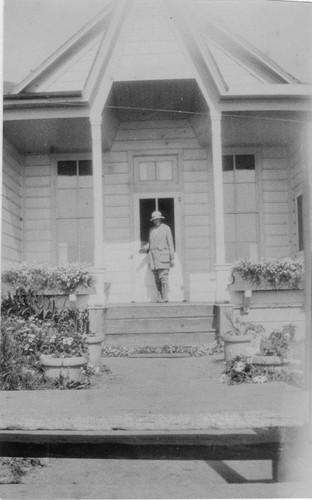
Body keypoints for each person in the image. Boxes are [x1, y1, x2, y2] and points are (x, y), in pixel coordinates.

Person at [139, 210, 175, 302]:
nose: (157, 221)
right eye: (155, 219)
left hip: (163, 256)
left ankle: (165, 297)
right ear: (153, 220)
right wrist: (144, 248)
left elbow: (170, 243)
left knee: (163, 277)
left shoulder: (166, 228)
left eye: (158, 219)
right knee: (157, 278)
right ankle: (159, 296)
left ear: (161, 219)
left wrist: (172, 258)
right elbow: (151, 243)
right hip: (154, 258)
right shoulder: (151, 230)